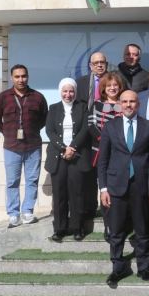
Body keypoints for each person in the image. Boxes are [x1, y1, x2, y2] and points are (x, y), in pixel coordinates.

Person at [98, 90, 149, 287]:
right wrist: (103, 188)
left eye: (132, 101)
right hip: (116, 185)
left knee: (142, 229)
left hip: (141, 184)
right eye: (125, 102)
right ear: (119, 104)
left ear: (138, 104)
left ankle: (143, 268)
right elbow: (103, 160)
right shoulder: (110, 126)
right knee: (116, 230)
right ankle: (117, 268)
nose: (129, 105)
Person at [0, 64, 49, 228]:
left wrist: (31, 131)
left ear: (27, 77)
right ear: (11, 78)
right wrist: (8, 132)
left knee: (32, 180)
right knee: (12, 181)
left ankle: (28, 212)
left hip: (33, 146)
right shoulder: (3, 98)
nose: (20, 80)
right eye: (17, 77)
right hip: (11, 147)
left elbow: (43, 119)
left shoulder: (38, 97)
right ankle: (13, 214)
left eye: (23, 76)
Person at [44, 78, 92, 242]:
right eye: (65, 91)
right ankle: (60, 228)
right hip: (58, 156)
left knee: (77, 192)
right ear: (60, 92)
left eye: (71, 91)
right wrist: (63, 148)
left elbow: (85, 129)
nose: (68, 94)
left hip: (77, 156)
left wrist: (72, 148)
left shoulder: (82, 107)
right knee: (59, 193)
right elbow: (50, 130)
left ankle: (77, 227)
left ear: (75, 92)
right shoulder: (53, 108)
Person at [88, 72, 126, 241]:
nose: (112, 88)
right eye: (109, 85)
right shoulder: (97, 105)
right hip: (101, 152)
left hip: (120, 153)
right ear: (103, 88)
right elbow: (91, 125)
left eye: (115, 85)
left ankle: (120, 224)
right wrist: (105, 141)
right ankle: (108, 225)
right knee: (105, 190)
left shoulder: (124, 104)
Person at [77, 51, 109, 222]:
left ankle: (108, 210)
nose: (99, 65)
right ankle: (89, 210)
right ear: (90, 66)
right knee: (88, 174)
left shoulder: (114, 81)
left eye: (102, 62)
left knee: (106, 173)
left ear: (107, 64)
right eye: (95, 63)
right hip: (86, 135)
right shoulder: (80, 83)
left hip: (107, 135)